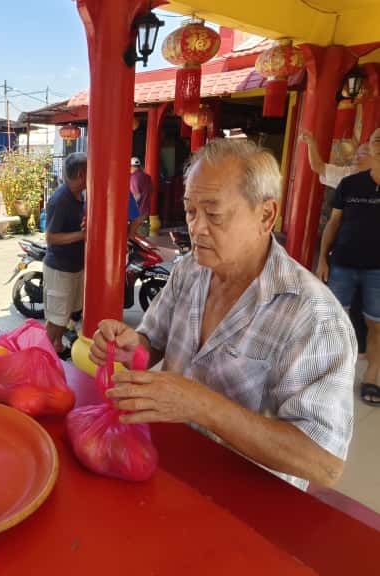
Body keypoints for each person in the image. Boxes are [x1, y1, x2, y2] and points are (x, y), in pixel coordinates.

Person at [91, 138, 355, 489]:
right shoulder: (189, 270)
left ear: (266, 216)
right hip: (167, 466)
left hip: (248, 500)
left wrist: (201, 405)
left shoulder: (313, 316)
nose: (196, 227)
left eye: (213, 214)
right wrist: (131, 347)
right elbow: (151, 342)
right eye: (190, 211)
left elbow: (324, 463)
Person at [317, 127, 380, 405]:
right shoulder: (351, 184)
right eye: (377, 139)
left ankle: (372, 377)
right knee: (332, 321)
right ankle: (329, 374)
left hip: (378, 270)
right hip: (342, 263)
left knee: (376, 325)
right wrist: (322, 259)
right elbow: (333, 223)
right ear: (370, 145)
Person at [43, 152, 87, 355]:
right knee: (56, 317)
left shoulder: (79, 196)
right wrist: (82, 235)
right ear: (81, 173)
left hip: (74, 266)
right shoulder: (60, 199)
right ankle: (40, 356)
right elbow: (51, 237)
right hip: (60, 268)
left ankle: (57, 345)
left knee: (66, 313)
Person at [298, 129, 372, 189]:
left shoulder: (351, 174)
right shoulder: (354, 171)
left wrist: (311, 142)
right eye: (356, 155)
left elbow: (317, 166)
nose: (356, 158)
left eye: (362, 155)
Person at [130, 156, 153, 235]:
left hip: (137, 214)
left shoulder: (133, 178)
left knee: (133, 238)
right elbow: (151, 192)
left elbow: (137, 196)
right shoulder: (148, 177)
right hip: (146, 212)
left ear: (131, 166)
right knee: (143, 239)